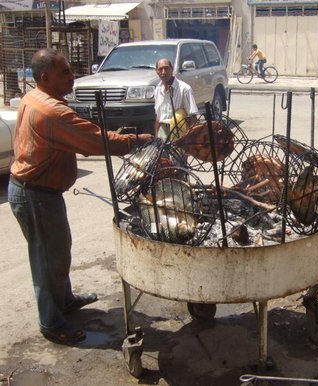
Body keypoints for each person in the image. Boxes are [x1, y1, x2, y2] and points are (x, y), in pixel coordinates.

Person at [8, 48, 153, 345]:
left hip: (37, 191)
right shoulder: (52, 111)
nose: (72, 76)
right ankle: (51, 322)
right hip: (36, 195)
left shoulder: (33, 97)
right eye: (65, 72)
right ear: (45, 77)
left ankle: (65, 299)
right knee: (48, 259)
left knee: (57, 251)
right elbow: (95, 141)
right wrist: (137, 141)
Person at [153, 58, 199, 140]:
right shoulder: (158, 89)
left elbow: (193, 117)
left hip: (179, 132)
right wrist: (156, 136)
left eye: (166, 68)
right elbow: (158, 116)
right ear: (157, 71)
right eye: (160, 69)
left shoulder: (184, 89)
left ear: (172, 69)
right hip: (163, 132)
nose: (163, 72)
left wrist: (193, 139)